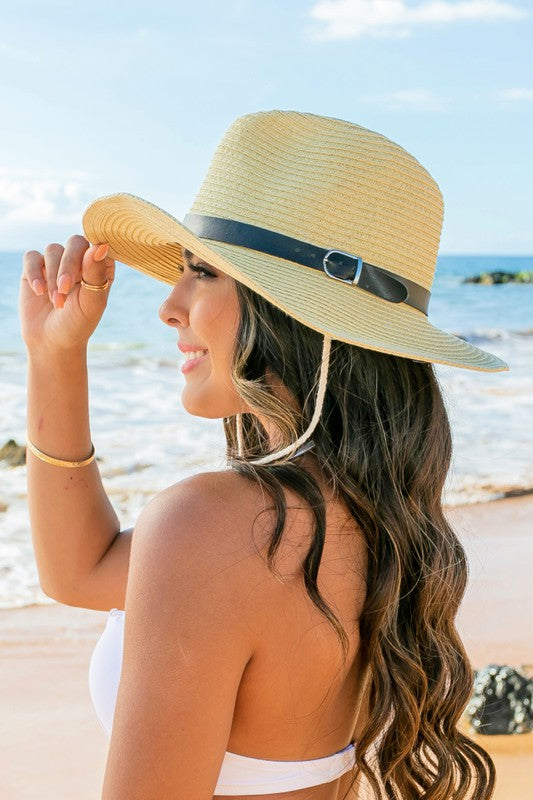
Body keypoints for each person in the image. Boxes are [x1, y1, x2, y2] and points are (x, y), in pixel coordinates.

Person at [19, 110, 506, 800]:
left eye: (204, 273)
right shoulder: (372, 514)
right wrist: (55, 357)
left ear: (290, 313)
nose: (168, 306)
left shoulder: (215, 526)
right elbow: (80, 570)